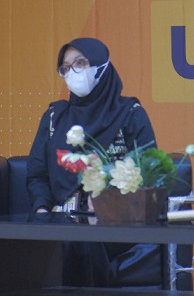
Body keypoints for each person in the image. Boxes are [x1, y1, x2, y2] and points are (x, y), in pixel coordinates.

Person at [27, 37, 161, 287]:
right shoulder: (55, 117)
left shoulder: (130, 114)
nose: (73, 72)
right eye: (65, 67)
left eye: (80, 63)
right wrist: (42, 210)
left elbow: (149, 173)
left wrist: (109, 202)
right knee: (56, 240)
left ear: (101, 66)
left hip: (115, 221)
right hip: (62, 218)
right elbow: (37, 175)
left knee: (81, 241)